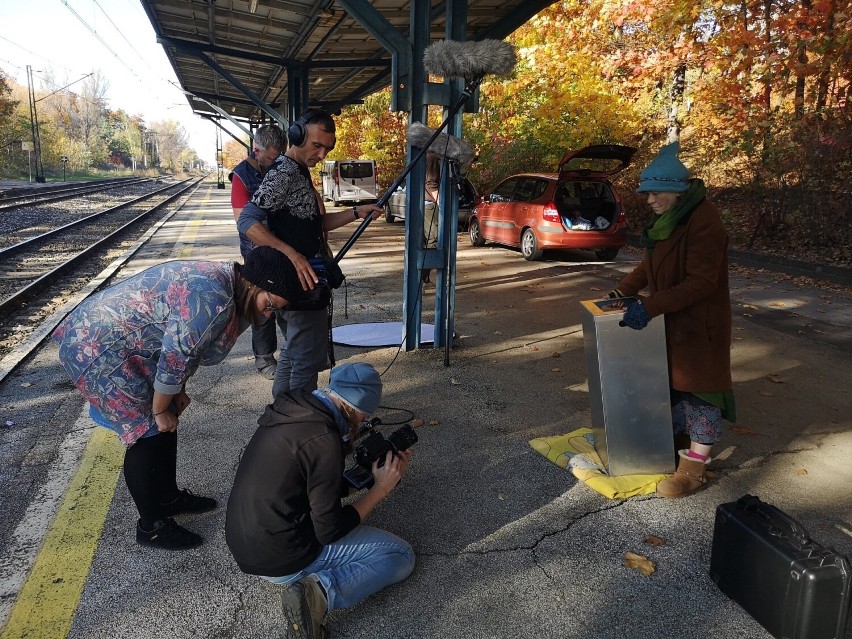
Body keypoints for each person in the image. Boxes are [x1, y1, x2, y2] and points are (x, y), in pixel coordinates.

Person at [52, 246, 302, 549]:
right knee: (146, 432)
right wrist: (159, 411)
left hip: (126, 345)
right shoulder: (214, 299)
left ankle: (168, 498)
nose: (267, 313)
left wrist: (176, 394)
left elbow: (188, 350)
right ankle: (151, 527)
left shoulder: (228, 285)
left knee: (166, 421)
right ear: (254, 285)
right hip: (97, 347)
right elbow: (176, 355)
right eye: (269, 304)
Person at [225, 362, 414, 638]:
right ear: (355, 409)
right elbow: (330, 530)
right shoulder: (324, 440)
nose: (362, 426)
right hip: (283, 559)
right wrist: (381, 489)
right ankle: (318, 594)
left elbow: (307, 484)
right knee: (401, 555)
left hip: (247, 545)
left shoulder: (292, 411)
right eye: (364, 419)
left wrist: (367, 478)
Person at [610, 141, 735, 498]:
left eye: (652, 193)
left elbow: (702, 282)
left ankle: (694, 469)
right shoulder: (667, 221)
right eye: (645, 193)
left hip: (699, 327)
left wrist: (648, 307)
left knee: (700, 395)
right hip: (672, 322)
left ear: (674, 190)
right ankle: (671, 449)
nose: (647, 200)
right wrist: (622, 291)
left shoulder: (704, 221)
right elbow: (648, 266)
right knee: (671, 389)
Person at [237, 109, 383, 399]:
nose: (322, 154)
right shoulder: (284, 172)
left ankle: (280, 415)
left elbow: (315, 224)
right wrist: (292, 255)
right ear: (296, 136)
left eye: (327, 148)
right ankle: (297, 426)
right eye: (317, 145)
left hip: (304, 284)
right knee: (304, 363)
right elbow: (247, 221)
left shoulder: (298, 171)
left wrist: (356, 212)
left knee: (293, 354)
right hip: (300, 287)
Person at [229, 125, 287, 380]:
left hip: (283, 249)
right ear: (256, 151)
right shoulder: (240, 177)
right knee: (263, 308)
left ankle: (293, 350)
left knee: (287, 302)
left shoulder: (281, 170)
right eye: (273, 158)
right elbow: (244, 222)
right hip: (257, 255)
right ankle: (264, 359)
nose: (277, 162)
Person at [421, 151, 441, 284]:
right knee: (432, 240)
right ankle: (423, 275)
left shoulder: (422, 156)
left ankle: (423, 275)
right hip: (430, 205)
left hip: (423, 204)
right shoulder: (432, 157)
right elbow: (431, 183)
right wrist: (441, 202)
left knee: (425, 240)